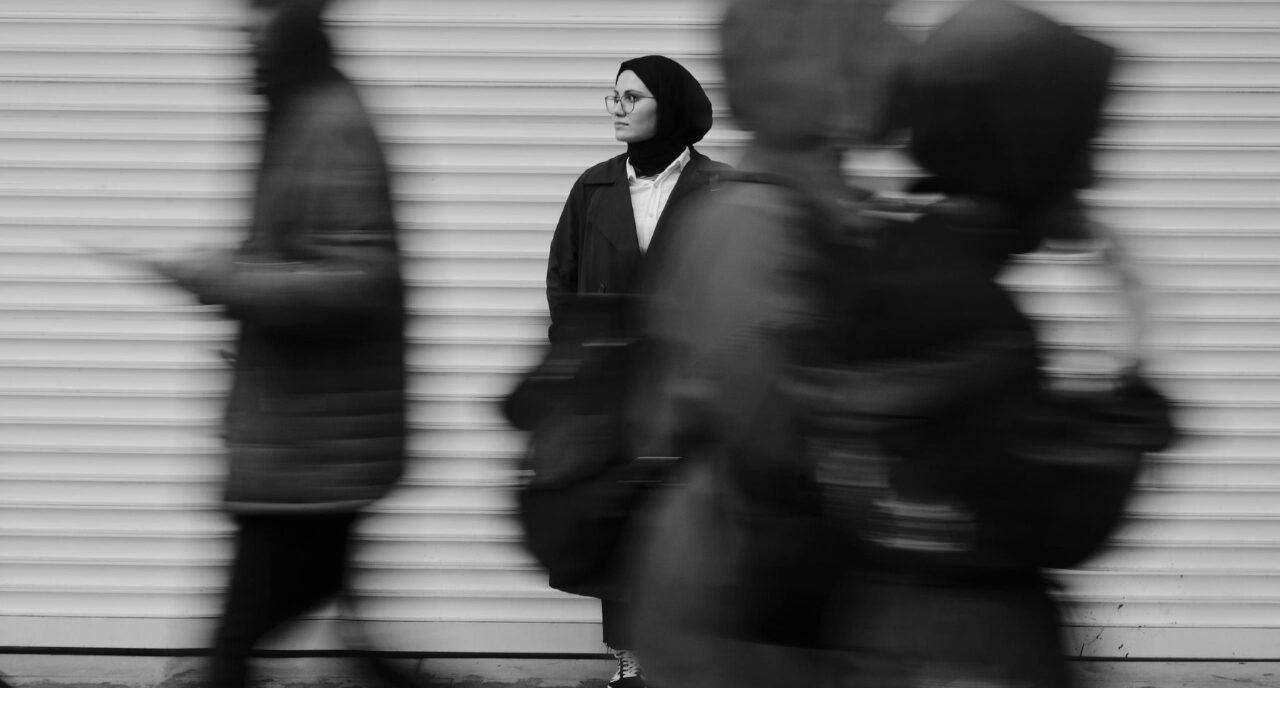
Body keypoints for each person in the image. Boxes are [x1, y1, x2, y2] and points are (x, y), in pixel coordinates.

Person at [625, 0, 908, 687]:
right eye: (874, 34)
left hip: (776, 601)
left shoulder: (819, 209)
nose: (901, 53)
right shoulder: (752, 225)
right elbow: (773, 439)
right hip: (743, 612)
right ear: (816, 68)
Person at [133, 0, 409, 687]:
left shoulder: (329, 123)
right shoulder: (297, 114)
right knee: (329, 636)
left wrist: (220, 279)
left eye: (256, 14)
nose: (240, 31)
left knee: (228, 657)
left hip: (312, 458)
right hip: (303, 443)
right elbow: (306, 257)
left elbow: (357, 281)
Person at [542, 55, 730, 688]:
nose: (616, 107)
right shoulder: (593, 187)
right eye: (613, 97)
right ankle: (628, 660)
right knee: (615, 517)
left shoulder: (720, 188)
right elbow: (562, 282)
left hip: (691, 384)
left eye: (632, 96)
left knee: (690, 518)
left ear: (669, 106)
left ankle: (693, 654)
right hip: (612, 389)